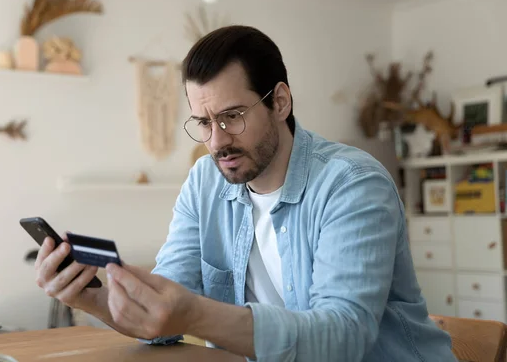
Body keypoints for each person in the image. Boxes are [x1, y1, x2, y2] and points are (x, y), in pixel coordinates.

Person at [34, 25, 457, 361]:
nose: (216, 142)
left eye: (231, 116)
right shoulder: (205, 182)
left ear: (280, 102)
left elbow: (343, 340)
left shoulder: (353, 184)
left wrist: (194, 312)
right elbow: (163, 317)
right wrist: (95, 299)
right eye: (203, 122)